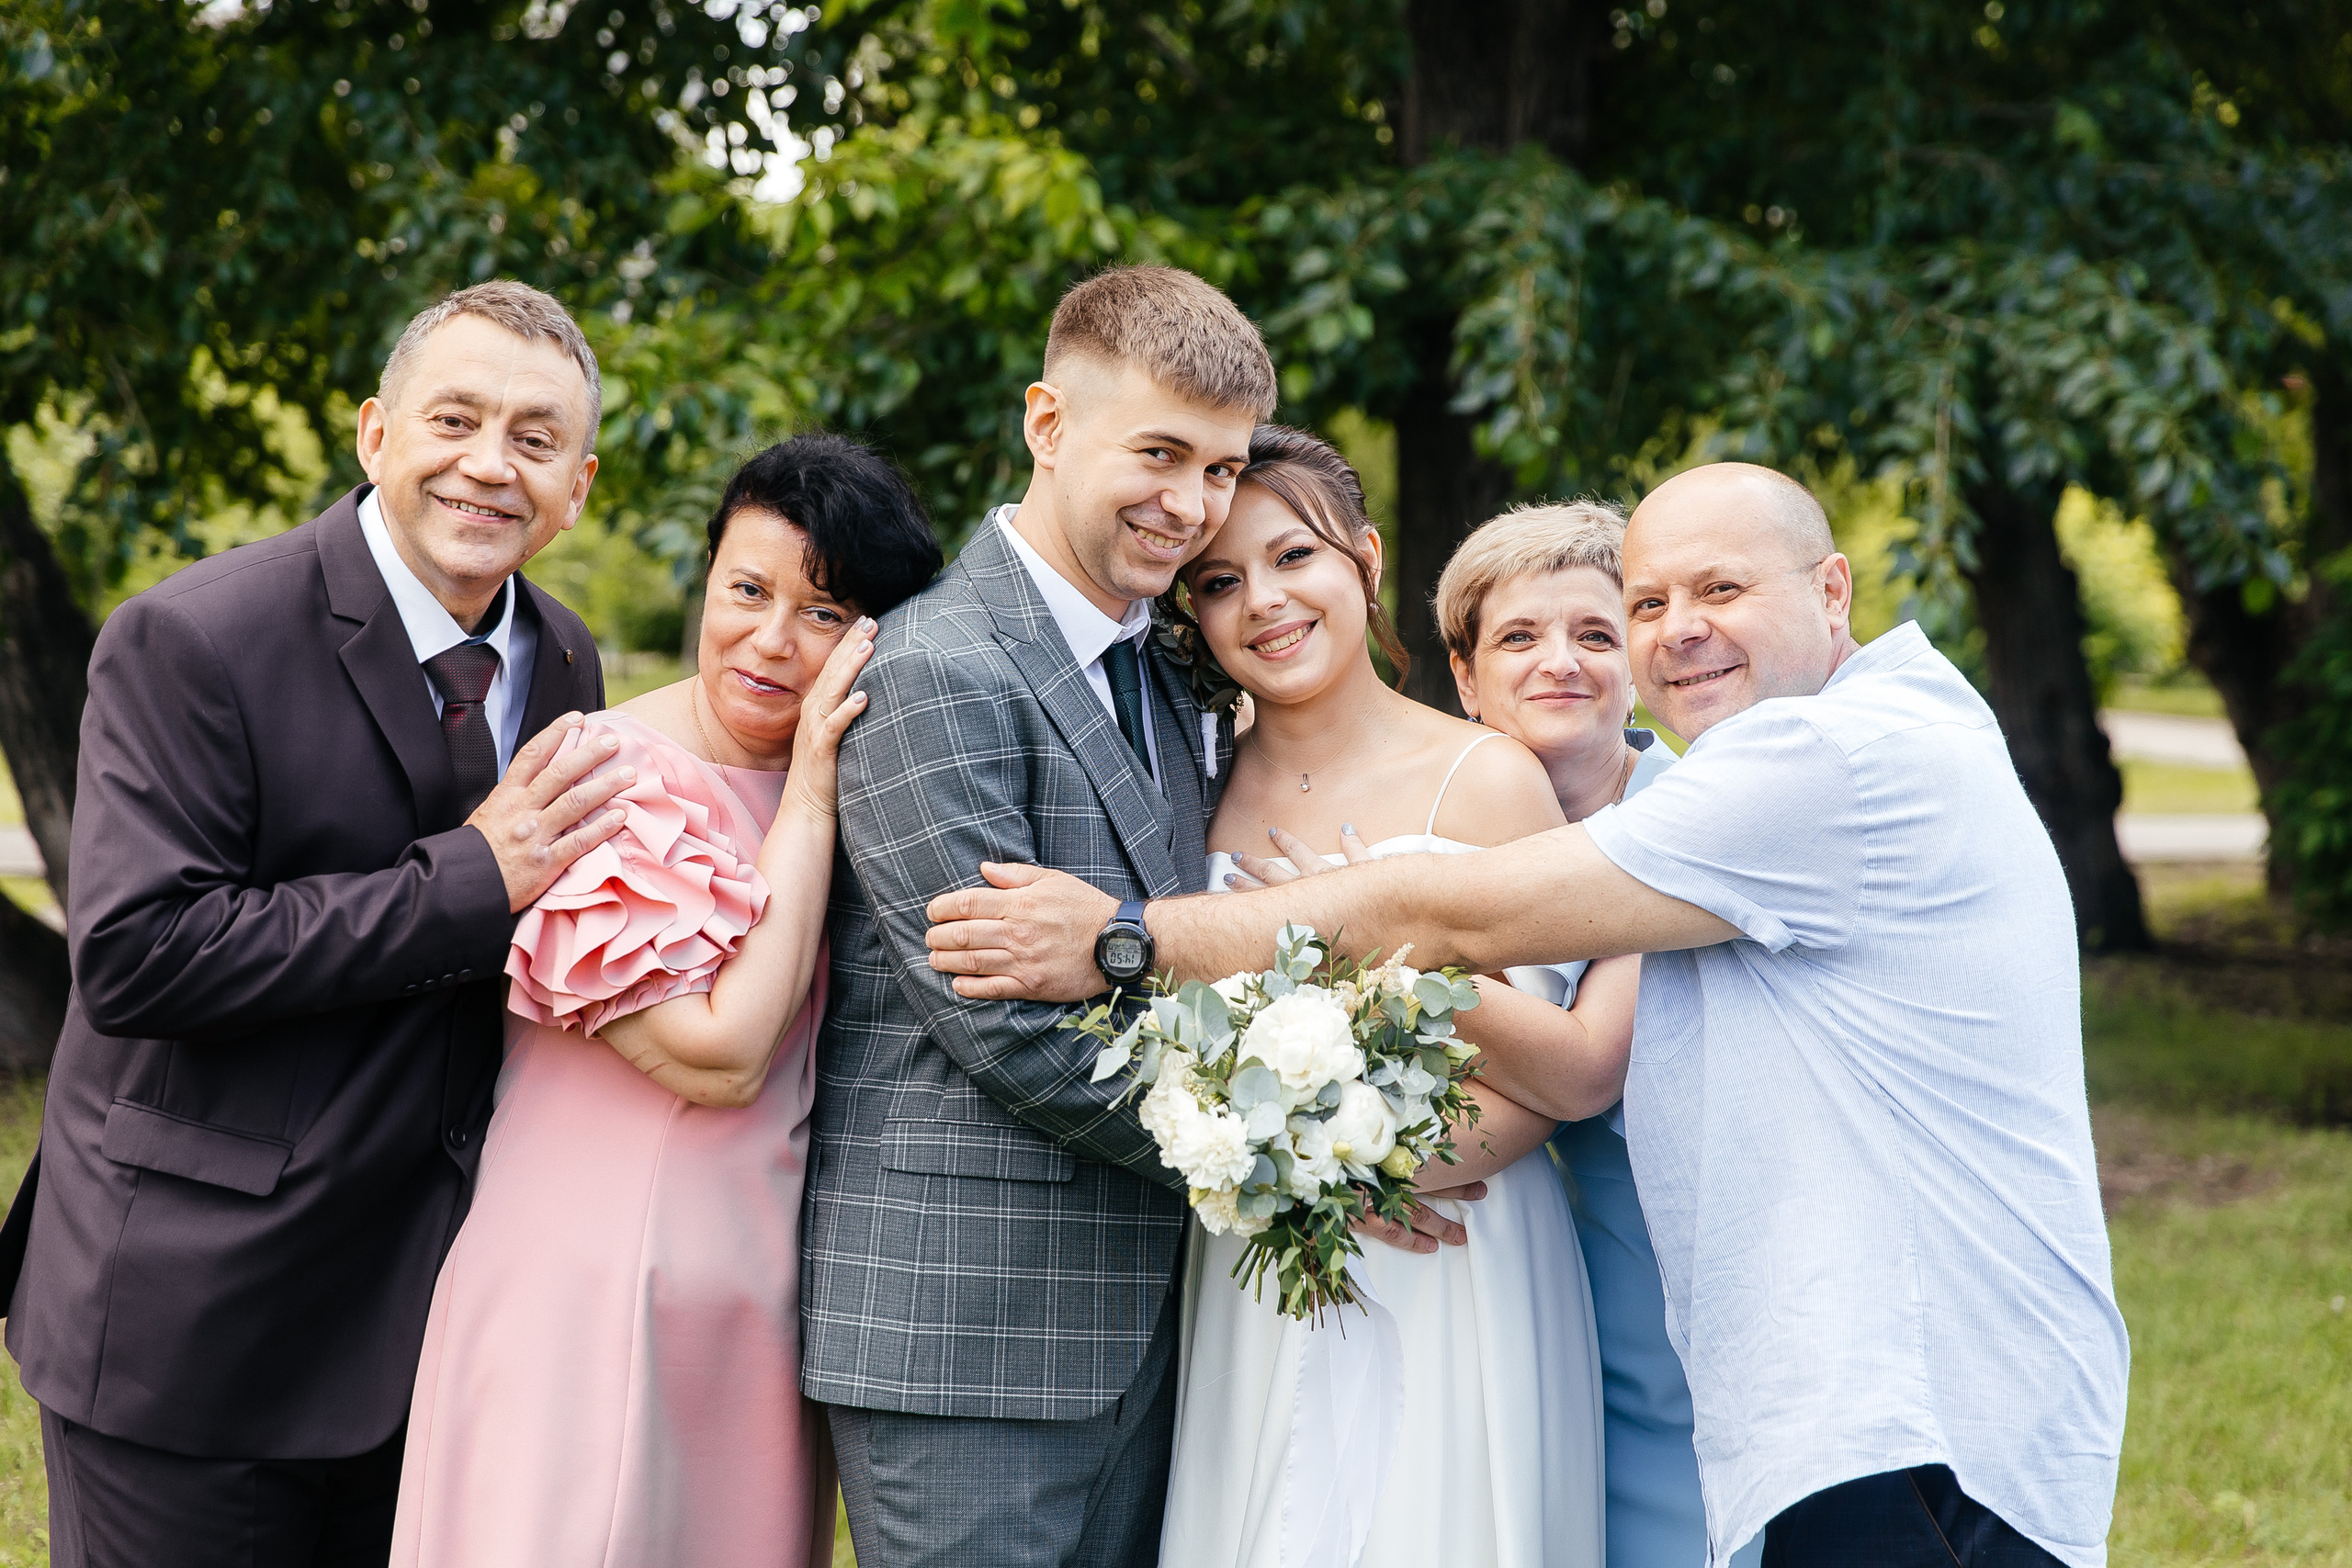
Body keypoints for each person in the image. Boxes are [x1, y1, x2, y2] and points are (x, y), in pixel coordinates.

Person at [924, 461, 2132, 1568]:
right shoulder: (1825, 745)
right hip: (1868, 1393)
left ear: (1832, 587)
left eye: (1718, 589)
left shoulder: (1830, 761)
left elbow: (1458, 918)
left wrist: (1117, 938)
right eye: (1650, 601)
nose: (1678, 630)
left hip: (1926, 1418)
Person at [1, 280, 625, 1566]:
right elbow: (138, 953)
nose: (487, 464)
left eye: (534, 438)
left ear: (579, 484)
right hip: (198, 1321)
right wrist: (469, 874)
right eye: (454, 417)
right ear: (374, 434)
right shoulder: (193, 637)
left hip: (427, 1327)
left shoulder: (565, 660)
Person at [389, 434, 941, 1568]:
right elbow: (719, 1055)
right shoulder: (606, 776)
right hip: (585, 1298)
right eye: (747, 590)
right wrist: (814, 807)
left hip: (752, 1308)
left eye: (824, 614)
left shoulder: (864, 778)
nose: (772, 642)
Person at [800, 265, 1276, 1567]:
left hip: (1152, 1326)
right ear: (1049, 424)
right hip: (968, 1326)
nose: (1191, 506)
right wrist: (1287, 1160)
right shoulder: (938, 670)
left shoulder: (1177, 671)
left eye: (1224, 471)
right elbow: (1004, 1027)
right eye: (1161, 452)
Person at [1156, 430, 1606, 1568]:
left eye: (1293, 556)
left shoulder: (1484, 774)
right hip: (1256, 1257)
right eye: (1219, 581)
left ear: (1361, 559)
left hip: (1456, 1241)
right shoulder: (1192, 783)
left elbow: (1551, 1072)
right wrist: (1286, 1189)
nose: (1262, 601)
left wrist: (1360, 1176)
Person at [1433, 502, 1760, 1568]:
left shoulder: (1688, 821)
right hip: (1503, 1289)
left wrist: (1368, 952)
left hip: (1668, 1302)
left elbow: (1584, 1071)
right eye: (1518, 638)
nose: (1558, 664)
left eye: (1594, 633)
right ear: (1466, 677)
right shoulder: (1434, 844)